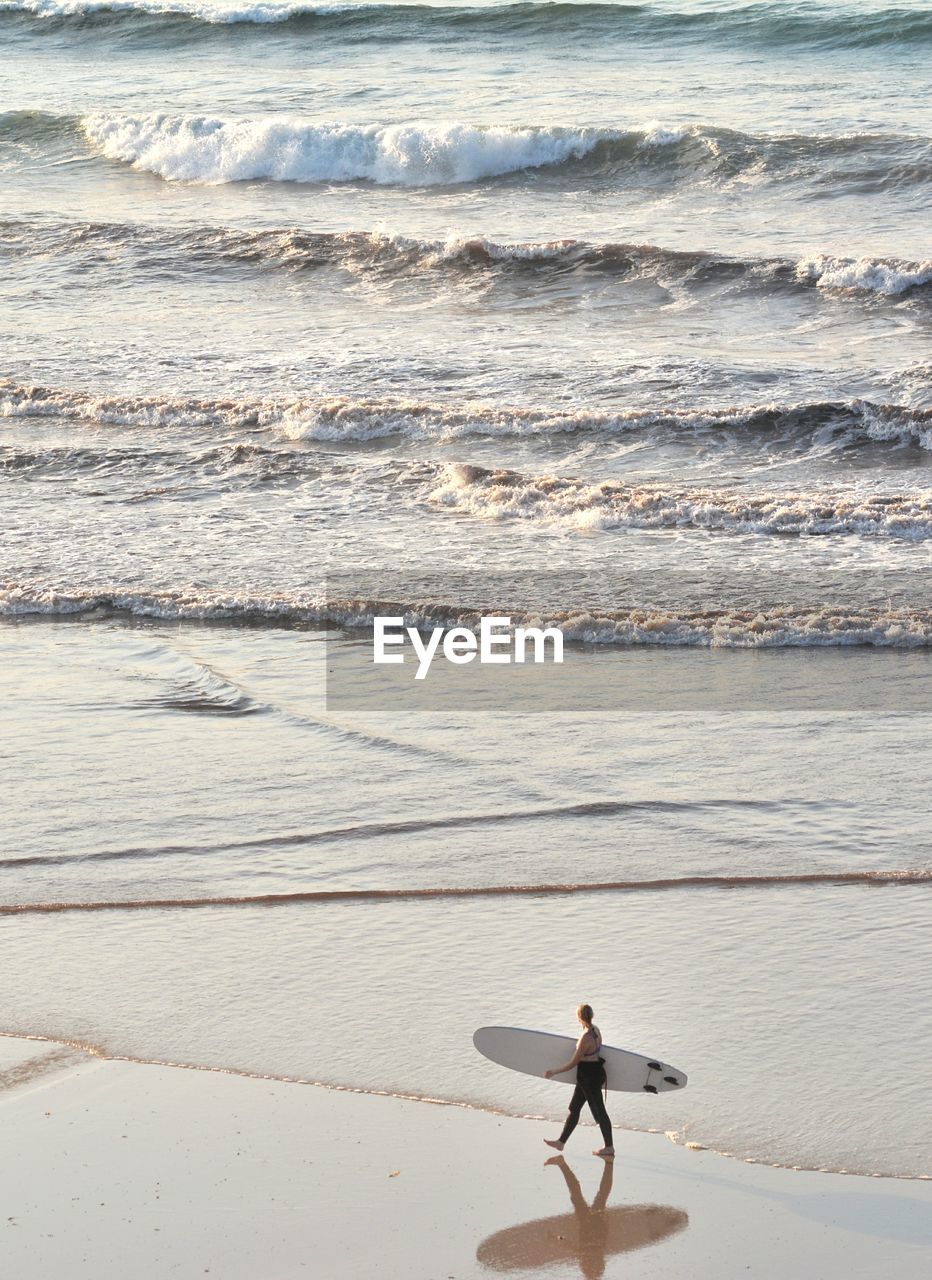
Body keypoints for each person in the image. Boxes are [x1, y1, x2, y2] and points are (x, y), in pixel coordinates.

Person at [543, 1003, 614, 1158]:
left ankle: (609, 1147)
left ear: (579, 1017)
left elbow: (572, 1063)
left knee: (600, 1112)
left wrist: (553, 1072)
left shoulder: (585, 1037)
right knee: (574, 1108)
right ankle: (561, 1142)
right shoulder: (596, 1030)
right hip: (591, 1073)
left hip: (588, 1077)